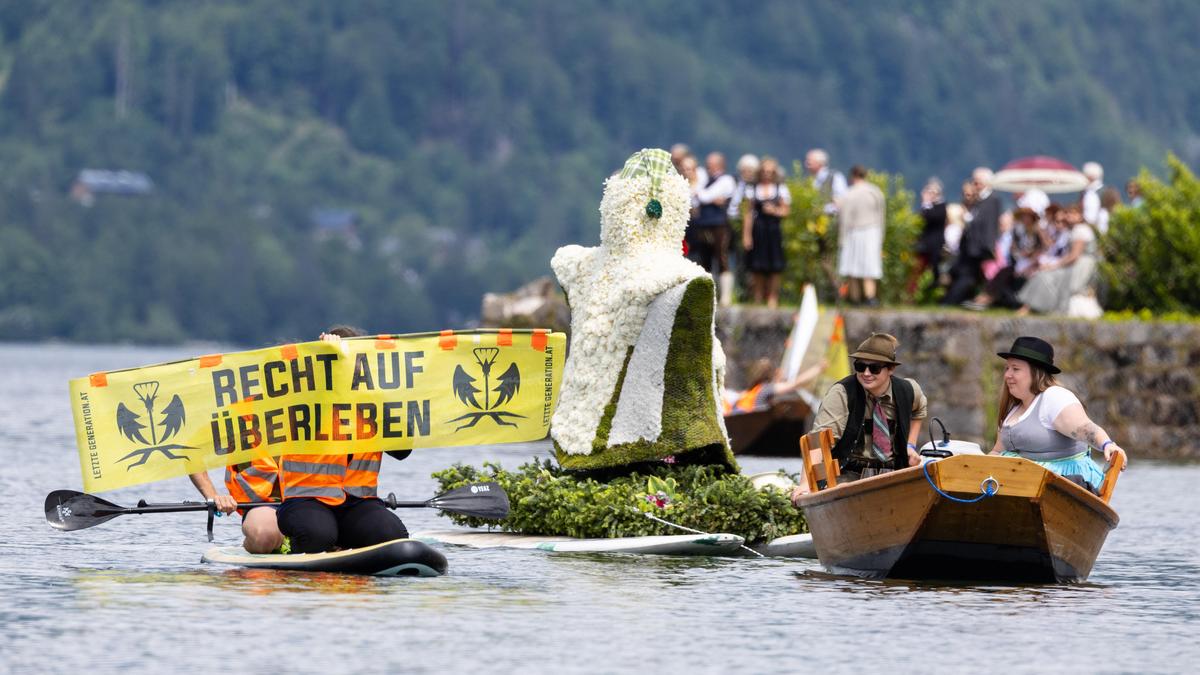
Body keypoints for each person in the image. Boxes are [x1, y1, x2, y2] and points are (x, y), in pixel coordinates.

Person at [275, 326, 413, 553]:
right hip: (306, 499)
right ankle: (308, 547)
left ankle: (344, 544)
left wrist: (373, 393)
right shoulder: (306, 394)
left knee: (392, 535)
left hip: (359, 502)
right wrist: (323, 355)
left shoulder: (372, 402)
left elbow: (402, 451)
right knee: (317, 535)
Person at [791, 333, 927, 501]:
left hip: (893, 475)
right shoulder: (841, 393)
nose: (866, 373)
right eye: (860, 366)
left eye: (874, 368)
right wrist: (807, 484)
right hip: (848, 475)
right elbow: (819, 440)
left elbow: (919, 411)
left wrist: (911, 446)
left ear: (890, 369)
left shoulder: (909, 390)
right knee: (845, 490)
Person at [989, 336, 1128, 493]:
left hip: (1063, 486)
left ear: (1036, 372)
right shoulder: (1013, 409)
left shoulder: (1054, 397)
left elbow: (1084, 427)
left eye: (1015, 369)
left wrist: (1106, 444)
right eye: (1007, 368)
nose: (1007, 375)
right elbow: (997, 451)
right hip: (1020, 484)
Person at [1016, 203, 1098, 316]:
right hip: (1076, 265)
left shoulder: (1081, 230)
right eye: (1068, 213)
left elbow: (1074, 256)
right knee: (1043, 274)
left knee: (1044, 276)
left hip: (1080, 268)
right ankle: (1029, 307)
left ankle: (1029, 307)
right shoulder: (1075, 230)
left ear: (1080, 216)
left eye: (1073, 214)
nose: (1069, 216)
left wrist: (1054, 266)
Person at [188, 461, 283, 554]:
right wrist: (214, 497)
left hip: (296, 500)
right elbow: (192, 454)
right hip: (265, 504)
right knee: (263, 536)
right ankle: (257, 542)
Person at [943, 167, 1000, 305]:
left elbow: (990, 226)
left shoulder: (992, 201)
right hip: (969, 246)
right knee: (964, 274)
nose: (975, 185)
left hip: (978, 247)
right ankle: (963, 300)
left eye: (977, 182)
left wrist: (988, 247)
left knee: (967, 276)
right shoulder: (980, 201)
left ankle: (950, 302)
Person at [742, 156, 790, 308]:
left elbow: (785, 211)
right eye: (764, 171)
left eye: (770, 172)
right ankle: (757, 296)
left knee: (775, 266)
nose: (767, 174)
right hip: (759, 230)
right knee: (757, 266)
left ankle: (773, 297)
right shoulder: (752, 189)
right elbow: (748, 213)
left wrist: (774, 210)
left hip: (773, 230)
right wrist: (746, 235)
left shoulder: (780, 189)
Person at [836, 165, 886, 306]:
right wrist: (881, 236)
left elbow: (844, 219)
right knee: (870, 265)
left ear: (853, 176)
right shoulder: (875, 192)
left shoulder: (849, 194)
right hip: (873, 231)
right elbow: (882, 216)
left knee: (852, 266)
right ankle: (870, 297)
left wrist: (841, 239)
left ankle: (855, 298)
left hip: (854, 232)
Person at [686, 152, 737, 287]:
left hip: (720, 225)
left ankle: (725, 295)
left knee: (721, 258)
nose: (708, 166)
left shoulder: (726, 180)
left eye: (711, 164)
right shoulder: (707, 180)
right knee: (705, 259)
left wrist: (704, 196)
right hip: (705, 224)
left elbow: (704, 196)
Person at [723, 357, 826, 415]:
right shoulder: (766, 389)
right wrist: (818, 369)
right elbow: (795, 384)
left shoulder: (754, 390)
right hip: (748, 421)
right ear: (773, 374)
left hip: (737, 415)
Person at [908, 178, 946, 297]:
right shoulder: (928, 207)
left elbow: (928, 218)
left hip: (933, 247)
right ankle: (912, 295)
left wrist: (926, 203)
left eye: (933, 192)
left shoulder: (940, 207)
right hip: (924, 246)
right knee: (917, 272)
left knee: (933, 273)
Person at [806, 148, 847, 216]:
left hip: (831, 219)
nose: (806, 165)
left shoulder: (835, 177)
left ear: (819, 163)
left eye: (809, 162)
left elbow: (841, 201)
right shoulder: (809, 181)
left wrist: (822, 210)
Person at [1081, 161, 1104, 230]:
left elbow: (1090, 217)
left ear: (1090, 177)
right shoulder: (1103, 190)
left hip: (1093, 229)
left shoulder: (1091, 193)